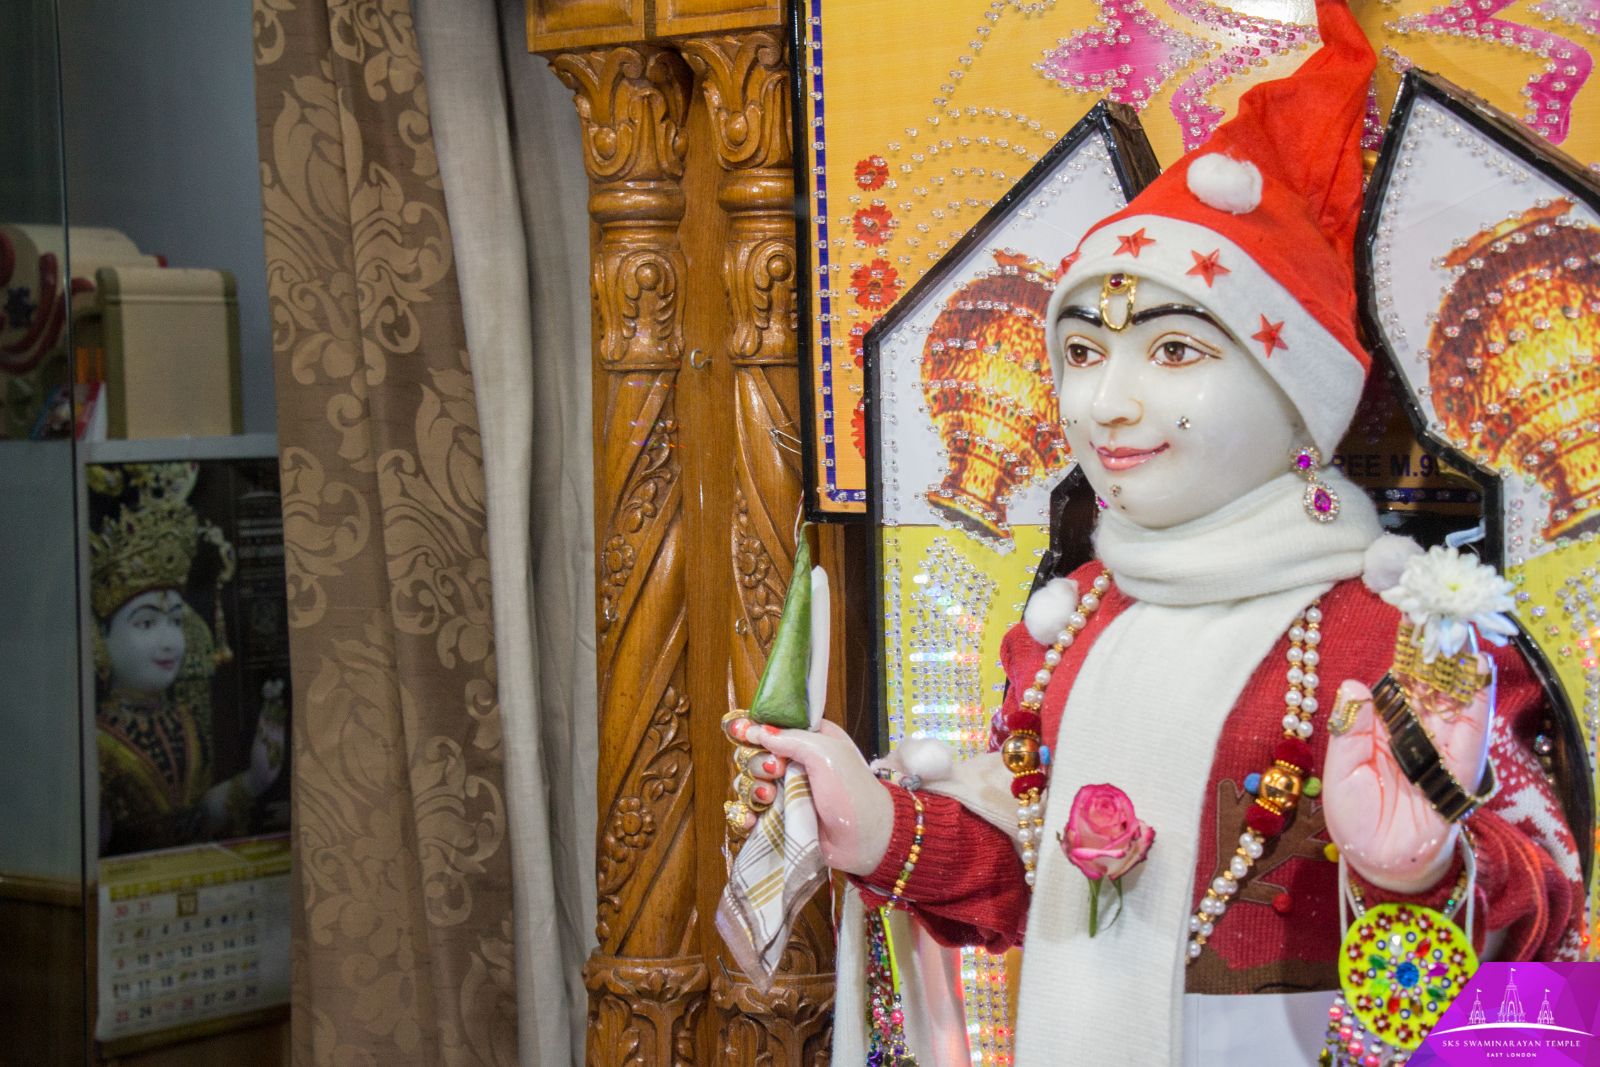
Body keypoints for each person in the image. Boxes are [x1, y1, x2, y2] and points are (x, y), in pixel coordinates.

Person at [725, 1, 1583, 1061]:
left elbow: (1547, 905)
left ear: (1297, 390)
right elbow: (1029, 879)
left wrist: (1421, 869)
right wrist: (875, 822)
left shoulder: (1401, 630)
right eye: (1082, 354)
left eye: (1175, 351)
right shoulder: (1069, 624)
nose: (1107, 403)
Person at [92, 462, 286, 857]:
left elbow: (200, 817)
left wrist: (255, 779)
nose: (169, 642)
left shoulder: (183, 719)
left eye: (176, 621)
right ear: (101, 637)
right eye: (146, 623)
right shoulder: (97, 741)